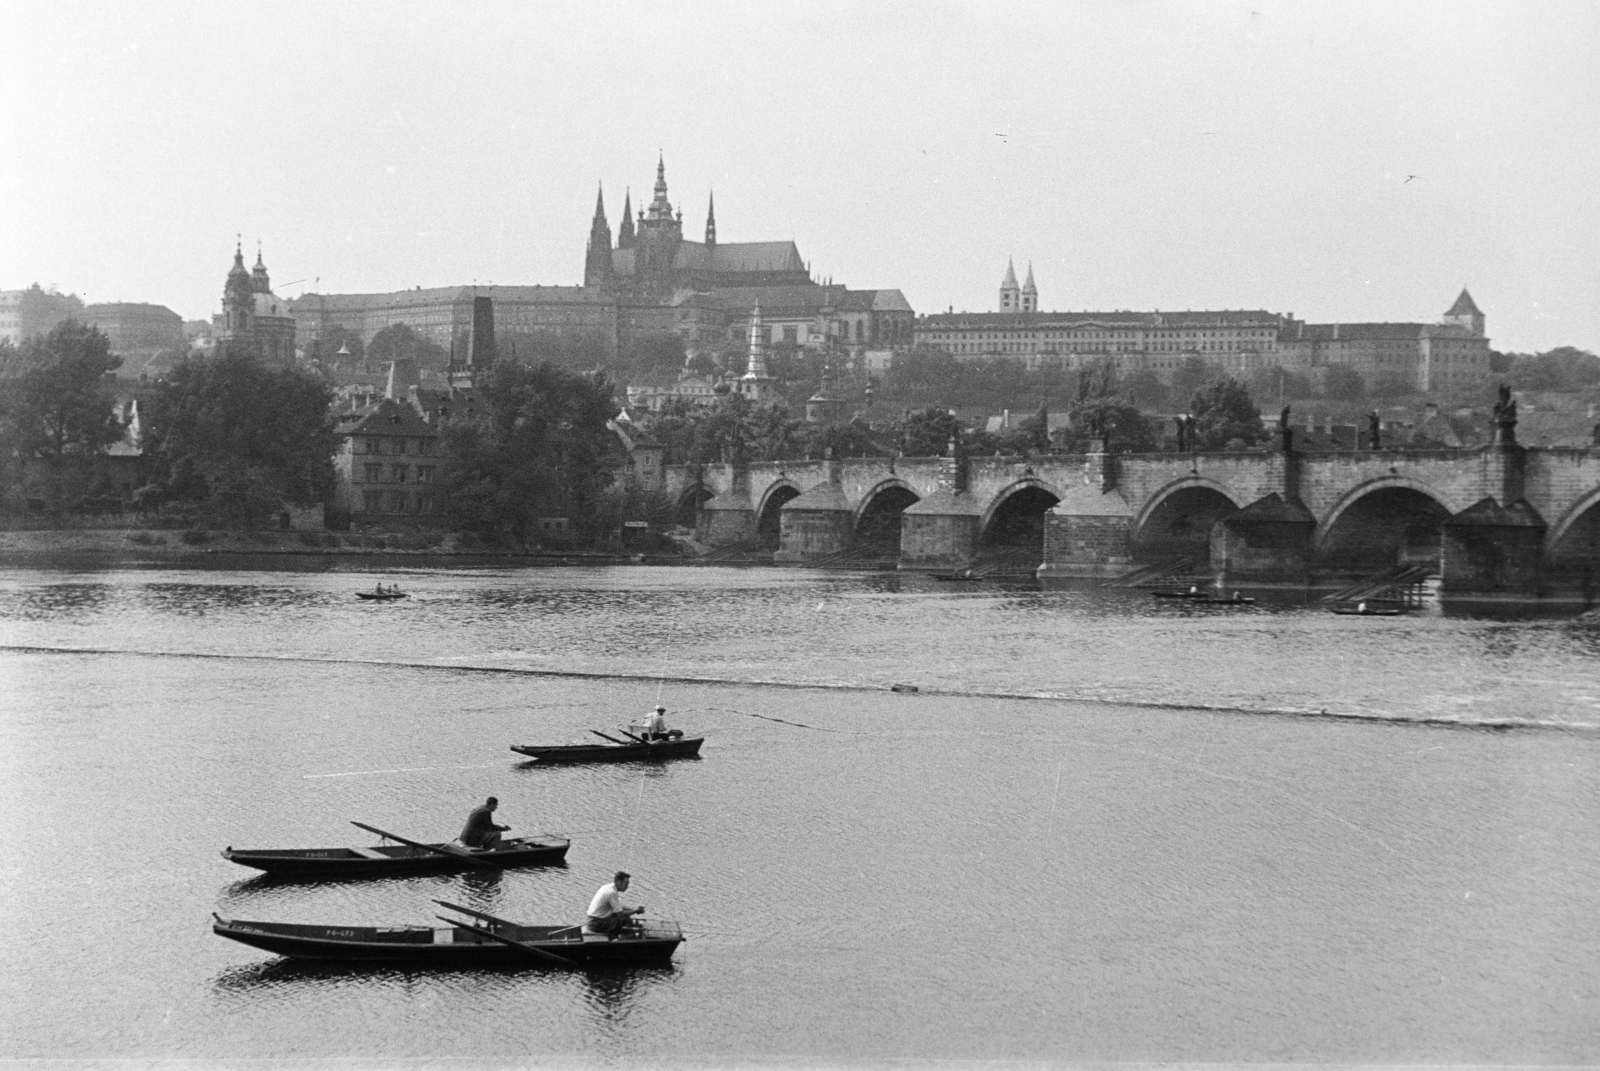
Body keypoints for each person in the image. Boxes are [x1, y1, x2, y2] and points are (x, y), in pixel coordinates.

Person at [585, 871, 645, 937]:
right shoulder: (612, 893)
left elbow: (618, 908)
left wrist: (632, 910)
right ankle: (630, 940)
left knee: (619, 916)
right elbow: (621, 914)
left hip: (592, 921)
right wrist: (636, 911)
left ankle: (618, 937)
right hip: (596, 924)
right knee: (626, 920)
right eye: (626, 884)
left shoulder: (606, 887)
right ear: (619, 882)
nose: (627, 887)